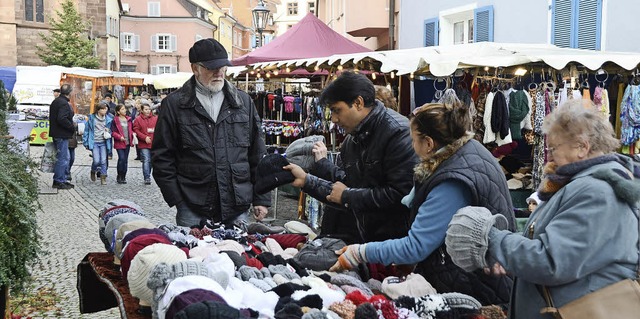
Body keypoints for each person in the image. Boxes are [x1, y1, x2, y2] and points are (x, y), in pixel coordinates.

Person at [289, 101, 516, 305]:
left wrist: (358, 253)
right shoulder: (466, 151)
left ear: (428, 143)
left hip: (474, 288)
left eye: (412, 139)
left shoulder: (451, 181)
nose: (410, 145)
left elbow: (416, 246)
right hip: (475, 278)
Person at [446, 100, 640, 318]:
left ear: (582, 147)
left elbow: (551, 261)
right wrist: (509, 260)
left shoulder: (597, 193)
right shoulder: (583, 185)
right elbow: (557, 249)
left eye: (554, 148)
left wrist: (492, 239)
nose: (549, 156)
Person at [285, 71, 418, 244]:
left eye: (336, 110)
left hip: (396, 246)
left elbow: (401, 195)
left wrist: (348, 196)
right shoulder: (351, 140)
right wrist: (306, 181)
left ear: (358, 103)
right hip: (366, 242)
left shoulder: (398, 133)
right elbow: (346, 186)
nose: (333, 119)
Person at [152, 38, 270, 228]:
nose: (218, 72)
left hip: (237, 203)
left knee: (238, 256)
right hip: (193, 204)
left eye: (222, 67)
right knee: (194, 256)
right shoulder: (175, 105)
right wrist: (178, 200)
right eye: (211, 67)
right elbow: (162, 157)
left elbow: (258, 153)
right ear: (195, 68)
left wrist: (261, 198)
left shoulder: (243, 102)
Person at [49, 84, 75, 189]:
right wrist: (72, 127)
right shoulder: (63, 103)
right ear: (69, 93)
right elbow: (62, 118)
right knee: (63, 158)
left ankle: (62, 179)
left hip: (57, 133)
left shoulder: (56, 101)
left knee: (65, 157)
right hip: (61, 134)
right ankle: (59, 180)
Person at [83, 102, 113, 185]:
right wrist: (85, 142)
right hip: (94, 142)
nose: (105, 111)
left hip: (104, 142)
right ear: (98, 110)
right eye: (103, 109)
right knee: (96, 161)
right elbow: (86, 131)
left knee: (103, 160)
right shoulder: (92, 119)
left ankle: (103, 177)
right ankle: (93, 170)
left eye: (105, 109)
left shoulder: (108, 119)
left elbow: (111, 131)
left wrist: (108, 131)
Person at [133, 102, 157, 185]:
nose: (148, 111)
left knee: (151, 161)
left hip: (154, 142)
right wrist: (144, 137)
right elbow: (136, 130)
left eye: (149, 109)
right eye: (146, 109)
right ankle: (147, 177)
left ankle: (149, 174)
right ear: (142, 110)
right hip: (144, 144)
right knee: (146, 160)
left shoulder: (155, 118)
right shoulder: (138, 119)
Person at [111, 104, 134, 184]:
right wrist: (119, 137)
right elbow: (112, 132)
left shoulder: (129, 119)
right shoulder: (115, 120)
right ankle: (119, 175)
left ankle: (124, 176)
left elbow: (132, 129)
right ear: (118, 111)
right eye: (122, 109)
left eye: (124, 109)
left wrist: (133, 135)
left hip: (127, 142)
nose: (124, 110)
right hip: (119, 142)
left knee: (125, 160)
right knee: (121, 158)